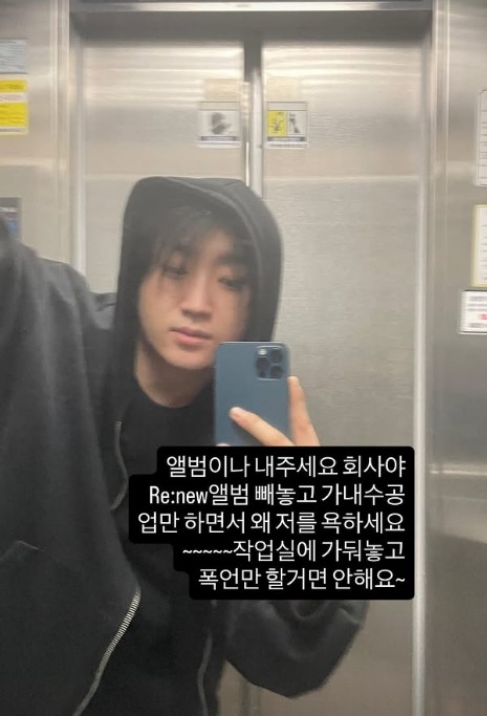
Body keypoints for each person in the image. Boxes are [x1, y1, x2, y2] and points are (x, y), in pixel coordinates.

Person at [0, 176, 368, 716]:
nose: (197, 303)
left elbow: (292, 662)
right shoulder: (47, 326)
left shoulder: (248, 439)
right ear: (138, 271)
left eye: (232, 281)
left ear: (256, 302)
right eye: (175, 269)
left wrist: (315, 515)